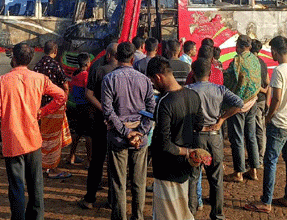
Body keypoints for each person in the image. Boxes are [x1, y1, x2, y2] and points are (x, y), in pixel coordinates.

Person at [0, 42, 67, 220]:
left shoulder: (2, 81)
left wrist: (7, 113)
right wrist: (42, 111)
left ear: (14, 59)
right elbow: (61, 96)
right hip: (33, 139)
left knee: (16, 185)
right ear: (29, 59)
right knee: (36, 184)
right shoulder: (39, 79)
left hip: (12, 141)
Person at [245, 36, 287, 214]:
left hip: (279, 123)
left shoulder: (279, 71)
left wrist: (269, 116)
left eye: (272, 51)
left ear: (276, 51)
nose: (271, 54)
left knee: (270, 161)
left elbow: (276, 98)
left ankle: (266, 201)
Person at [101, 42, 156, 220]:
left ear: (116, 57)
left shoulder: (109, 79)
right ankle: (137, 217)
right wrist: (140, 132)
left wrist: (126, 132)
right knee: (139, 182)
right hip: (139, 139)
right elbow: (151, 110)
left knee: (119, 182)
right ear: (133, 58)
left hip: (118, 137)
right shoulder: (145, 80)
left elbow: (108, 111)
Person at [146, 56, 204, 220]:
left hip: (167, 167)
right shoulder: (193, 95)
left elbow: (164, 143)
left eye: (153, 81)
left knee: (168, 214)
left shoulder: (165, 102)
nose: (154, 85)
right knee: (181, 210)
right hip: (185, 167)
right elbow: (199, 125)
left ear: (158, 77)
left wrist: (184, 151)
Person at [186, 58, 243, 220]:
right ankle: (218, 215)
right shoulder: (220, 89)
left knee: (193, 176)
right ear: (210, 74)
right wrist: (222, 120)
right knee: (216, 178)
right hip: (214, 138)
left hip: (196, 137)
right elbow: (239, 103)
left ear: (193, 72)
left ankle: (191, 213)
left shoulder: (188, 90)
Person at [77, 42, 118, 209]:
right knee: (115, 162)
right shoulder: (129, 71)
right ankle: (112, 199)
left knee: (97, 161)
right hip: (120, 123)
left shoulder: (97, 69)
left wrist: (104, 110)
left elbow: (88, 94)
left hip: (101, 121)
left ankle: (90, 199)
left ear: (108, 55)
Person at [224, 35, 261, 183]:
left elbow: (231, 81)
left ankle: (238, 172)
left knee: (237, 138)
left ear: (238, 45)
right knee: (251, 137)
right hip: (253, 101)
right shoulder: (255, 59)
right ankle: (254, 170)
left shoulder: (237, 61)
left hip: (239, 104)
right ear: (250, 46)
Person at [33, 40, 72, 179]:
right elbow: (65, 86)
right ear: (55, 51)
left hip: (41, 108)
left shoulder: (37, 66)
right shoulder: (56, 66)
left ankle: (43, 166)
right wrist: (64, 101)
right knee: (54, 139)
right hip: (55, 107)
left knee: (44, 137)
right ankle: (51, 168)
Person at [66, 52, 92, 167]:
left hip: (76, 106)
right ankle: (89, 160)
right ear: (87, 63)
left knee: (77, 132)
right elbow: (87, 92)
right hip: (85, 107)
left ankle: (71, 156)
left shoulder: (75, 74)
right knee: (88, 135)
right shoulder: (85, 75)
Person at [251, 39, 270, 165]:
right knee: (260, 127)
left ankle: (260, 157)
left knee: (258, 129)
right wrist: (265, 92)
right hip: (262, 100)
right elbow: (268, 82)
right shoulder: (262, 62)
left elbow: (253, 83)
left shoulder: (252, 63)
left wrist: (260, 90)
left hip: (256, 100)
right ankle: (259, 156)